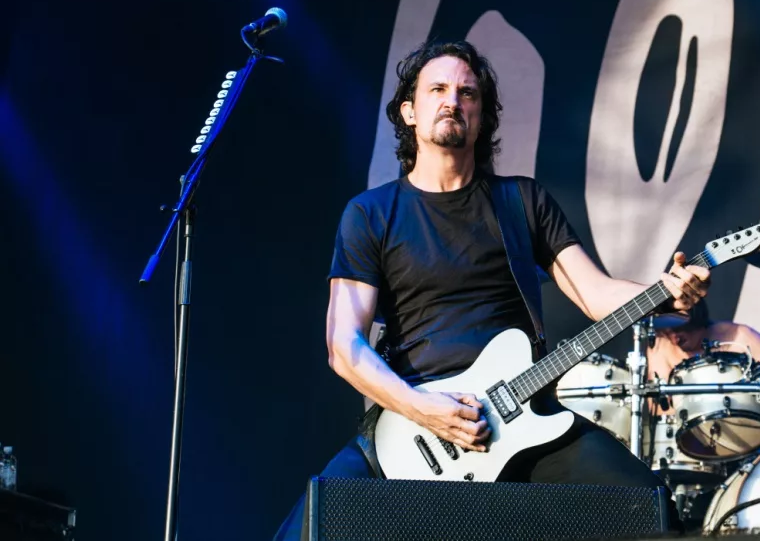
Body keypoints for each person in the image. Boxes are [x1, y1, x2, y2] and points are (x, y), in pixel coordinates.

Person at [272, 40, 711, 540]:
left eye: (467, 93)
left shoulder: (521, 202)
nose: (453, 101)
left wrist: (664, 291)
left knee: (647, 509)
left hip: (523, 415)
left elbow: (596, 294)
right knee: (308, 528)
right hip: (411, 426)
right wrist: (421, 409)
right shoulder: (371, 214)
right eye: (437, 89)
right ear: (409, 112)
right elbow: (343, 346)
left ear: (481, 117)